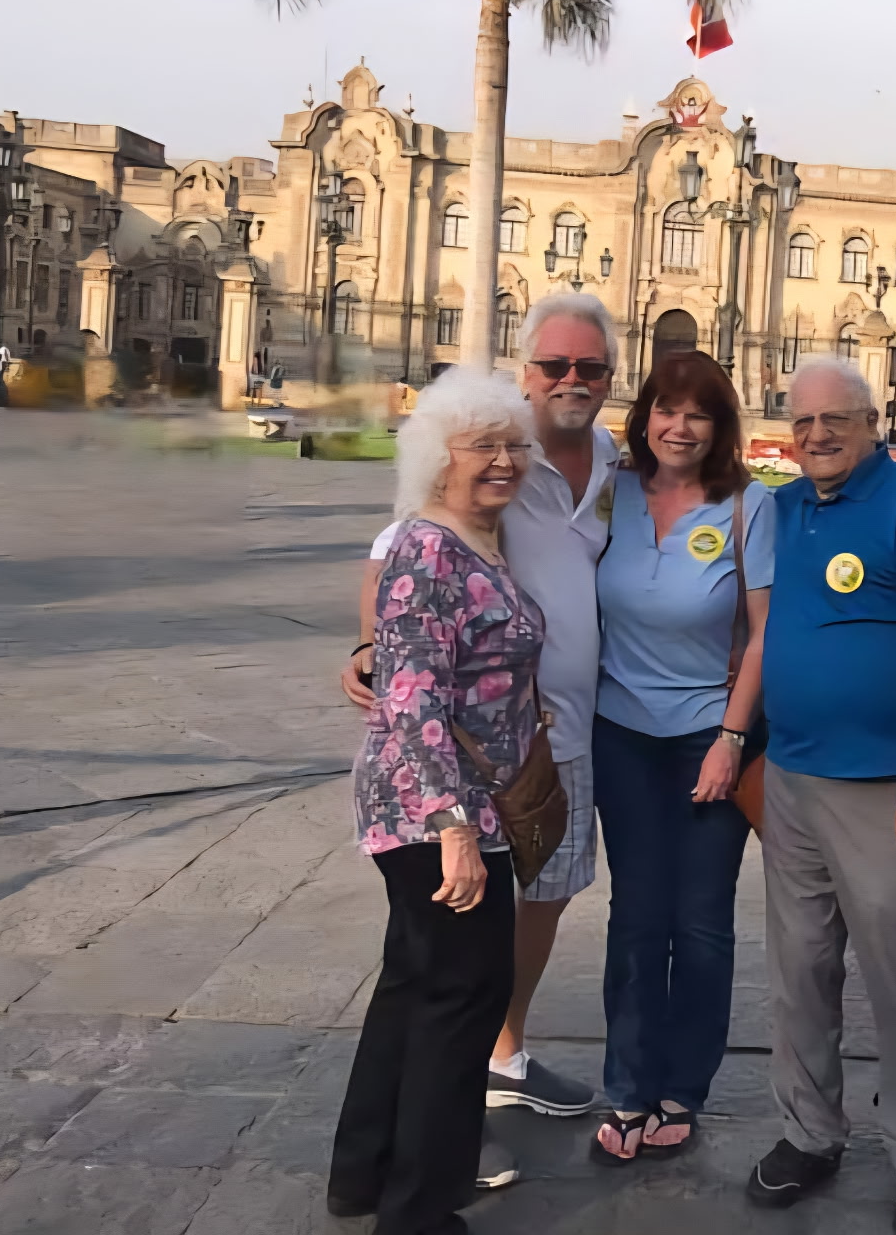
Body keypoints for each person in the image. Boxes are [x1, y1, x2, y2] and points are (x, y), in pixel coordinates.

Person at [344, 293, 620, 1120]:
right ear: (524, 370)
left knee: (548, 892)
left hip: (566, 729)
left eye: (591, 367)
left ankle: (503, 1050)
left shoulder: (613, 459)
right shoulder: (491, 449)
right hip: (470, 754)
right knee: (455, 958)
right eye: (555, 365)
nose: (573, 379)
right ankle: (465, 1092)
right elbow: (393, 554)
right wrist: (371, 651)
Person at [745, 356, 896, 1235]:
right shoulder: (785, 509)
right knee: (798, 971)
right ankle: (810, 1133)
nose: (815, 436)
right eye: (801, 422)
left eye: (834, 421)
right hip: (796, 779)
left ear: (871, 421)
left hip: (891, 787)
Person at [327, 368, 540, 1235]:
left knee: (417, 984)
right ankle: (418, 1209)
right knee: (463, 993)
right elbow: (412, 695)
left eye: (512, 445)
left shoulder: (481, 540)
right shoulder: (429, 548)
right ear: (436, 457)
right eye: (481, 446)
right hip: (440, 810)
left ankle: (365, 1172)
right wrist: (453, 829)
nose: (502, 462)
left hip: (441, 801)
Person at [590, 350, 770, 1163]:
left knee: (699, 921)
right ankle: (626, 1085)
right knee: (636, 917)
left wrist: (732, 740)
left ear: (719, 426)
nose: (679, 426)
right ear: (645, 415)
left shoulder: (746, 507)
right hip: (620, 731)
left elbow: (765, 634)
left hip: (710, 735)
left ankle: (681, 1088)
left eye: (697, 413)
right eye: (666, 408)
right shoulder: (612, 493)